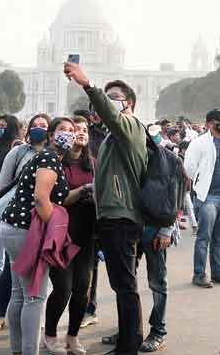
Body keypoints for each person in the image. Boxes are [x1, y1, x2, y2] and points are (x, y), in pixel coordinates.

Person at [64, 61, 151, 355]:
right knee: (122, 283)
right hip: (115, 215)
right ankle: (129, 338)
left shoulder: (129, 126)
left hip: (121, 216)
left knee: (124, 285)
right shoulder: (116, 135)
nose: (108, 101)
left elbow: (110, 114)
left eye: (114, 97)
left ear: (129, 104)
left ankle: (129, 345)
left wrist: (87, 84)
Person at [0, 117, 76, 355]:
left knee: (20, 294)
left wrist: (82, 191)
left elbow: (55, 197)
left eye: (72, 130)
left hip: (14, 228)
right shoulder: (50, 158)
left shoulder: (47, 158)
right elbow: (42, 199)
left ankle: (18, 350)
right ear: (51, 135)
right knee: (34, 296)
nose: (69, 134)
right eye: (62, 130)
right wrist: (53, 229)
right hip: (26, 231)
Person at [0, 113, 50, 333]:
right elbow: (2, 186)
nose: (39, 129)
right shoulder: (19, 152)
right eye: (36, 125)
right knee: (12, 277)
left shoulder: (55, 155)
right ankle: (0, 314)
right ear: (28, 129)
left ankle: (33, 321)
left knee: (39, 278)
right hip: (16, 222)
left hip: (43, 223)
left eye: (44, 126)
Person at [43, 116, 97, 354]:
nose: (81, 133)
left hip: (87, 235)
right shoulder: (57, 163)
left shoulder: (94, 164)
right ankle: (50, 334)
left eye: (85, 130)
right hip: (61, 235)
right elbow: (55, 200)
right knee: (63, 288)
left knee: (82, 289)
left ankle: (73, 336)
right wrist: (84, 190)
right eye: (76, 130)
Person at [184, 109, 220, 288]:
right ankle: (199, 274)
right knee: (204, 238)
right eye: (219, 120)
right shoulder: (199, 143)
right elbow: (189, 168)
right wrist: (200, 183)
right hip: (208, 196)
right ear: (209, 123)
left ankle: (217, 273)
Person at [0, 115, 22, 182]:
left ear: (11, 127)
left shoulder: (17, 144)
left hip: (7, 184)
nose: (0, 129)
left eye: (3, 126)